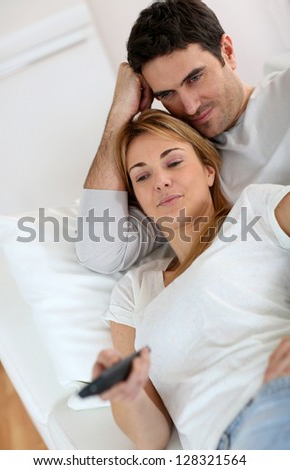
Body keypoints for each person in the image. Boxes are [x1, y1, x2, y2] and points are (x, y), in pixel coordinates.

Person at [91, 109, 290, 450]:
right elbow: (150, 438)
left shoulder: (255, 211)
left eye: (174, 162)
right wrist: (127, 393)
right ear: (137, 201)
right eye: (141, 177)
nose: (161, 181)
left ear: (209, 170)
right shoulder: (133, 291)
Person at [75, 0, 290, 274]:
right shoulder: (180, 166)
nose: (189, 106)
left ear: (227, 51)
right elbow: (101, 253)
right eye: (166, 94)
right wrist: (118, 117)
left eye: (195, 78)